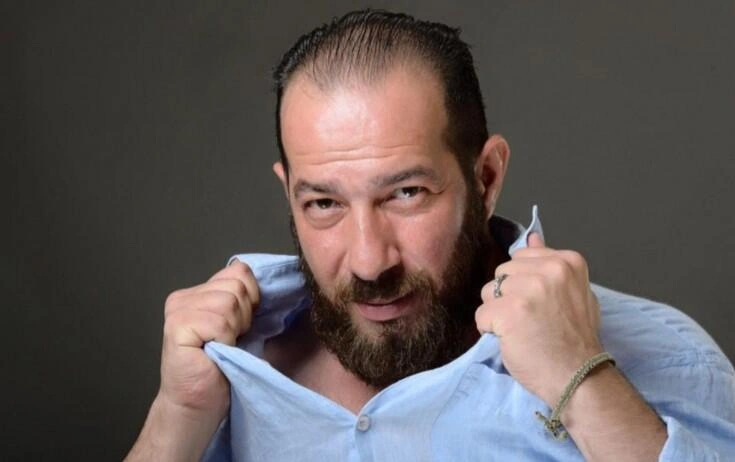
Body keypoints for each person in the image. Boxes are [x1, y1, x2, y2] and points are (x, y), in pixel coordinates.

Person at [126, 9, 735, 461]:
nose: (370, 262)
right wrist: (176, 416)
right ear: (289, 193)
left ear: (486, 178)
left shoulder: (666, 356)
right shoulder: (228, 368)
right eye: (324, 204)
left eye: (406, 194)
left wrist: (582, 381)